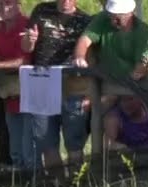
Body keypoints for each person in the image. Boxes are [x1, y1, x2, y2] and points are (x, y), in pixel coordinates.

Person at [21, 0, 90, 171]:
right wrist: (30, 41)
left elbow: (93, 57)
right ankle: (56, 186)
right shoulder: (41, 11)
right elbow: (26, 48)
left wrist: (89, 93)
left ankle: (76, 184)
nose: (66, 1)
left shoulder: (85, 20)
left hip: (72, 86)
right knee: (46, 143)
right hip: (42, 83)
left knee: (74, 144)